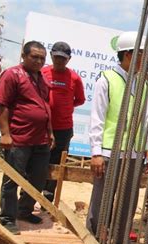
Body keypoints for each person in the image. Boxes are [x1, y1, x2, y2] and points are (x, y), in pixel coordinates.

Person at [87, 31, 148, 244]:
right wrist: (96, 152)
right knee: (102, 197)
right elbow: (97, 117)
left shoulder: (141, 84)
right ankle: (95, 237)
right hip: (109, 151)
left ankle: (120, 239)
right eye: (142, 54)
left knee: (129, 199)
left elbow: (146, 118)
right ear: (127, 55)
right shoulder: (106, 80)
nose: (145, 58)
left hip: (134, 152)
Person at [0, 41, 53, 235]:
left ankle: (24, 211)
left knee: (38, 179)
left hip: (41, 139)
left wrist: (50, 132)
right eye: (34, 57)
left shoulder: (42, 79)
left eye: (42, 58)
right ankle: (7, 217)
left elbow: (44, 106)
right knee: (12, 180)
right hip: (18, 139)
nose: (38, 61)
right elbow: (2, 105)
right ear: (23, 55)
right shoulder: (12, 74)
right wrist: (5, 134)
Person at [42, 41, 85, 203]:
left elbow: (80, 100)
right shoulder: (42, 72)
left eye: (63, 58)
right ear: (51, 55)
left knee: (56, 163)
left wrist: (64, 107)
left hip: (63, 129)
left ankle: (48, 197)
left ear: (69, 59)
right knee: (39, 161)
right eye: (56, 57)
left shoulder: (74, 78)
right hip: (42, 127)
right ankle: (30, 195)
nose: (59, 61)